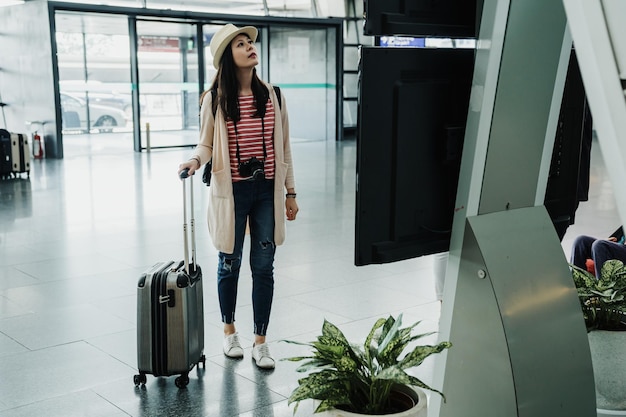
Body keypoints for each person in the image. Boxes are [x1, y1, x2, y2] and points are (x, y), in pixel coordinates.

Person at [178, 24, 299, 369]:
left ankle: (261, 340)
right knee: (229, 263)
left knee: (264, 267)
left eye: (250, 43)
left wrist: (290, 191)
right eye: (241, 44)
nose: (249, 48)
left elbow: (285, 148)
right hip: (232, 192)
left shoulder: (273, 95)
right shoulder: (214, 99)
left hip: (267, 191)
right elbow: (206, 142)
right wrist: (194, 160)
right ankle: (230, 331)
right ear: (227, 57)